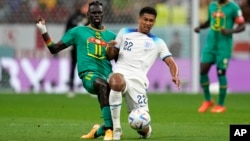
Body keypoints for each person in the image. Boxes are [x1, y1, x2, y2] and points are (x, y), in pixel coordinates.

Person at [36, 1, 116, 140]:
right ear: (88, 14)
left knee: (118, 90)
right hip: (90, 76)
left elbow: (120, 59)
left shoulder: (112, 36)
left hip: (108, 75)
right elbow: (54, 49)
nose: (96, 15)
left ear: (103, 14)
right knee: (103, 85)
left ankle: (98, 131)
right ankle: (109, 130)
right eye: (93, 13)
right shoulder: (78, 32)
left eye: (99, 13)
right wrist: (43, 30)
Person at [106, 6, 180, 140]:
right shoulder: (124, 32)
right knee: (116, 82)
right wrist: (110, 47)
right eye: (145, 19)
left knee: (141, 128)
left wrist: (174, 75)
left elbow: (171, 62)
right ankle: (116, 129)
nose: (148, 23)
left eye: (151, 20)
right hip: (121, 73)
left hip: (138, 82)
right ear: (139, 19)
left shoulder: (158, 42)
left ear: (154, 22)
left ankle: (147, 130)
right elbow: (111, 56)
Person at [194, 0, 245, 113]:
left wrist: (229, 31)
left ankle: (221, 105)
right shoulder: (212, 5)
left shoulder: (233, 7)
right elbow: (209, 21)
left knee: (221, 72)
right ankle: (208, 100)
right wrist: (200, 27)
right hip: (210, 45)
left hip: (224, 47)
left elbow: (242, 26)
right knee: (203, 70)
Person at [65, 0, 89, 98]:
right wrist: (67, 44)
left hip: (84, 47)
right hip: (74, 46)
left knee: (87, 67)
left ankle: (89, 87)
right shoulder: (72, 18)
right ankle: (71, 88)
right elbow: (67, 31)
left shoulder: (88, 18)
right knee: (73, 66)